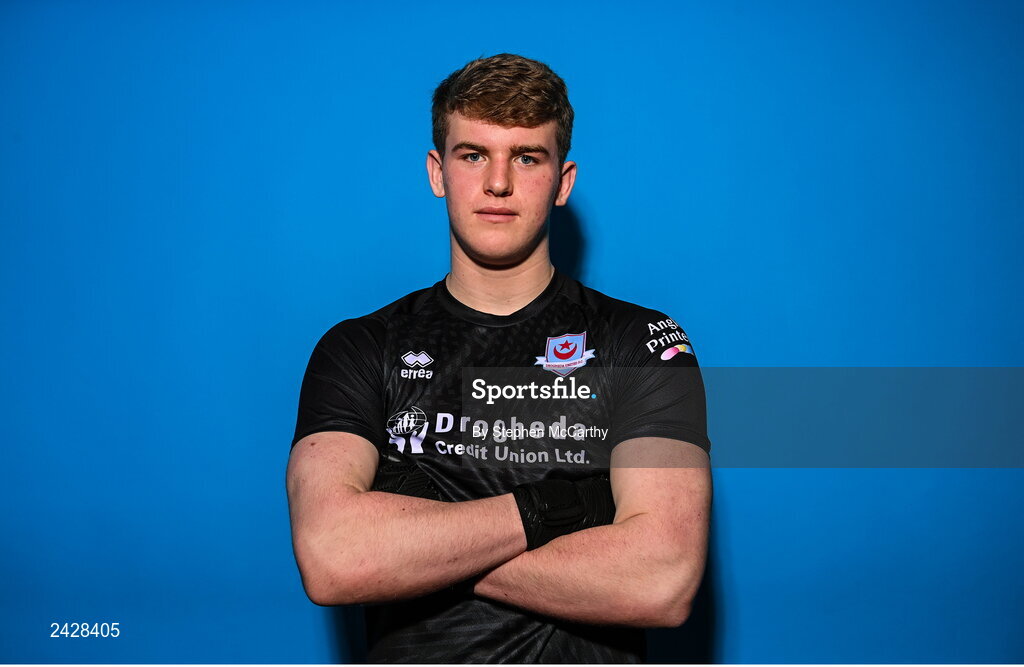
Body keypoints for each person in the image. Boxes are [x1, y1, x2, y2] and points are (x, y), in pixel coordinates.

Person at [286, 53, 712, 663]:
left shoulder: (641, 342)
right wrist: (559, 509)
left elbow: (662, 579)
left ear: (563, 182)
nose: (498, 183)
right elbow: (334, 558)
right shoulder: (360, 349)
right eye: (473, 154)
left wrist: (418, 535)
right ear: (438, 172)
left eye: (527, 157)